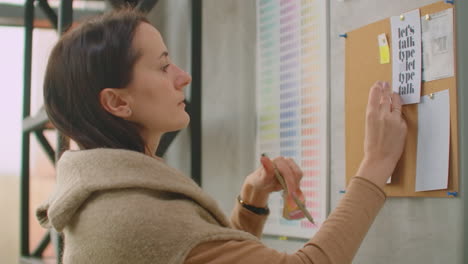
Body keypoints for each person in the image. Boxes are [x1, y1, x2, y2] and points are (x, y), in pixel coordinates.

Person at [36, 8, 407, 264]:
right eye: (163, 66)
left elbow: (195, 253)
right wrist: (375, 165)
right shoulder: (130, 214)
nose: (183, 76)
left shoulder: (110, 197)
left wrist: (252, 200)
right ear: (117, 101)